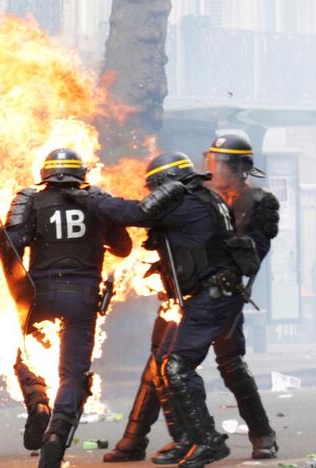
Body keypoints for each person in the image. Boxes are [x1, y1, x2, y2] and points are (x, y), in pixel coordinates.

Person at [103, 136, 280, 464]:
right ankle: (144, 439)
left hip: (219, 294)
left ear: (239, 167)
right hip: (186, 292)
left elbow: (252, 254)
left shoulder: (257, 201)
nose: (213, 168)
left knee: (229, 365)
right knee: (162, 359)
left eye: (220, 163)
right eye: (211, 161)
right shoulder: (203, 195)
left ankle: (262, 435)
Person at [2, 148, 131, 468]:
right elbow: (124, 248)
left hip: (40, 295)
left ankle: (38, 401)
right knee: (72, 374)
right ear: (81, 175)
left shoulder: (31, 200)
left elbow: (11, 244)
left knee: (23, 356)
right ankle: (57, 435)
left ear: (46, 174)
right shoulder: (98, 202)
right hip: (82, 297)